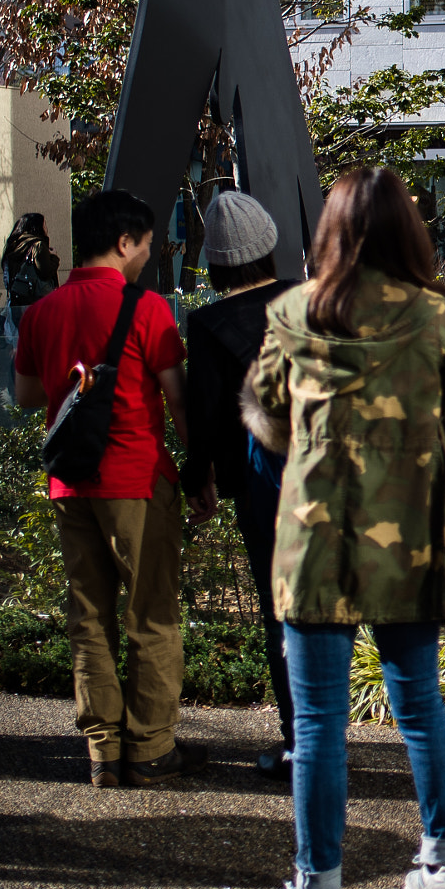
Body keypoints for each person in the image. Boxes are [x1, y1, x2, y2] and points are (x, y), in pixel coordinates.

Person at [237, 166, 445, 889]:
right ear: (407, 234)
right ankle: (443, 869)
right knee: (419, 704)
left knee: (316, 722)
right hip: (412, 540)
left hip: (318, 542)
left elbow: (263, 417)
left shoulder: (290, 312)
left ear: (331, 231)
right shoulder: (433, 317)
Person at [12, 189, 203, 789]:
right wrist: (201, 473)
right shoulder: (146, 309)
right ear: (124, 242)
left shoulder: (41, 313)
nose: (148, 253)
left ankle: (102, 751)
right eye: (146, 243)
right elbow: (179, 400)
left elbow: (26, 397)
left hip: (71, 485)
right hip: (137, 482)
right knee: (152, 615)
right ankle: (149, 748)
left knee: (88, 617)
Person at [180, 191, 297, 779]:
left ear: (216, 263)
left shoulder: (208, 325)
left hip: (264, 486)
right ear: (270, 243)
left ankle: (300, 741)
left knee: (283, 612)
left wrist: (196, 477)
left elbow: (205, 415)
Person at [1, 212, 60, 341]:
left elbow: (7, 278)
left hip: (16, 305)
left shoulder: (12, 247)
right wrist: (54, 257)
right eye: (44, 225)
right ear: (37, 227)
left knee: (23, 345)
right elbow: (45, 272)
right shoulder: (37, 245)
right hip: (38, 305)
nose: (46, 229)